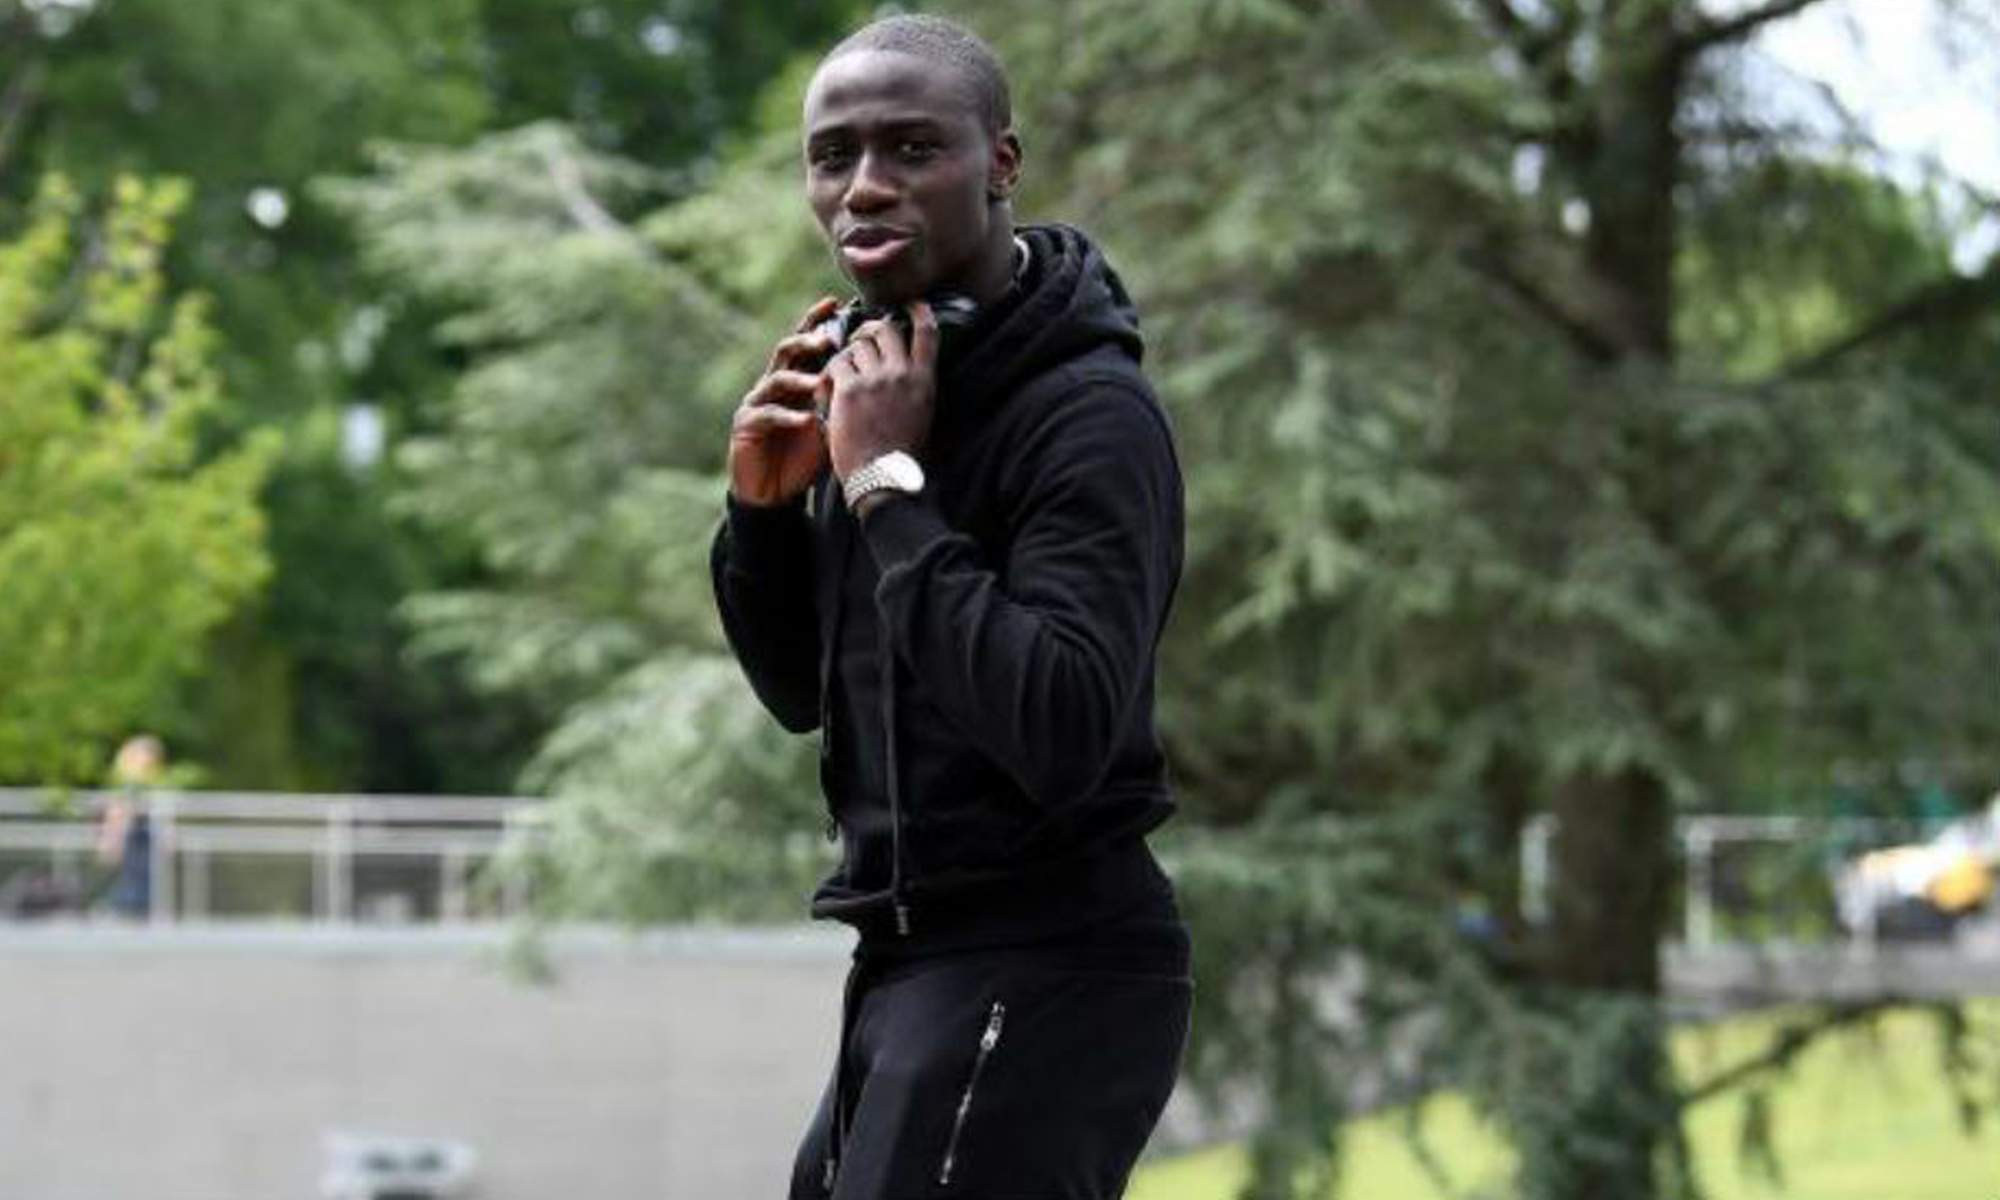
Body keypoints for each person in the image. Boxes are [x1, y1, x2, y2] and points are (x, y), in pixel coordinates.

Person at [709, 15, 1190, 1199]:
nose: (864, 186)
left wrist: (885, 486)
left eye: (912, 149)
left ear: (1000, 162)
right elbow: (801, 693)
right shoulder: (878, 382)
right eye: (833, 157)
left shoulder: (1088, 416)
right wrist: (763, 513)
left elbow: (1061, 726)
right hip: (902, 962)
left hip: (1050, 963)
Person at [95, 734, 164, 918]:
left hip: (144, 848)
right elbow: (116, 812)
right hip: (131, 844)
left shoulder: (150, 784)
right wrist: (110, 839)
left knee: (141, 890)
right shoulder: (127, 783)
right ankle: (108, 910)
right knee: (130, 888)